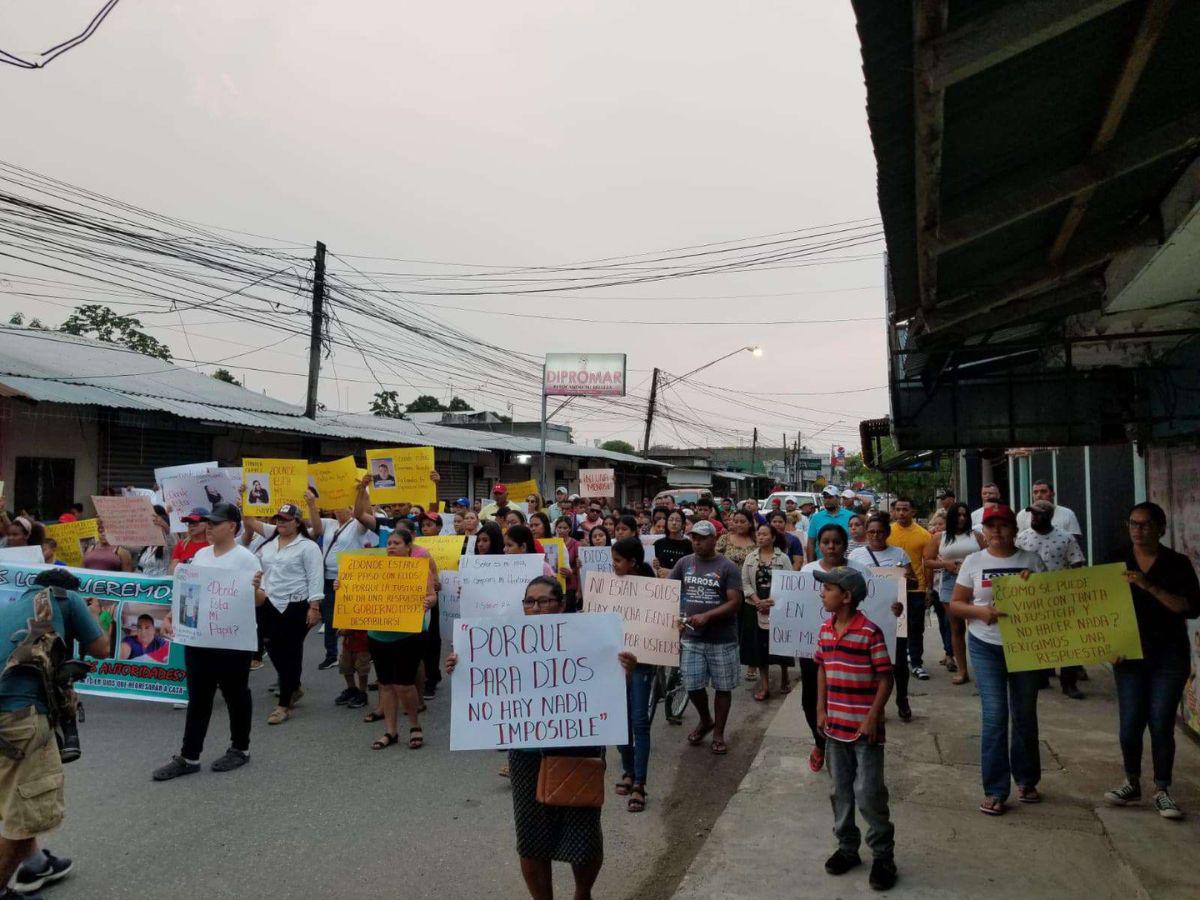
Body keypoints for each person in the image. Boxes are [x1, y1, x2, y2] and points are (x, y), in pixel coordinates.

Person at [445, 577, 635, 900]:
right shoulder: (506, 641)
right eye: (529, 602)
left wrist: (623, 670)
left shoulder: (589, 637)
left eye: (545, 601)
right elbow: (488, 683)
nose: (536, 608)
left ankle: (582, 893)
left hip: (578, 748)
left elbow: (608, 692)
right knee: (531, 837)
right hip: (527, 752)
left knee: (584, 834)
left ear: (561, 603)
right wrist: (461, 667)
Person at [0, 569, 107, 899]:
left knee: (16, 795)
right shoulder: (64, 598)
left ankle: (35, 863)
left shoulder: (11, 607)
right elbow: (101, 648)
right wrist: (92, 614)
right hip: (21, 717)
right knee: (29, 815)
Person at [153, 502, 264, 781]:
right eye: (209, 523)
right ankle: (189, 756)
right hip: (200, 639)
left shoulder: (246, 559)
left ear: (232, 527)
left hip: (232, 641)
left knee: (236, 695)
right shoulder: (201, 555)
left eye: (215, 523)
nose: (210, 527)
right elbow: (190, 593)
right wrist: (171, 617)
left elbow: (261, 600)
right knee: (198, 698)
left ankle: (240, 748)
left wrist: (256, 590)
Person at [1104, 501, 1200, 820]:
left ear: (1161, 528)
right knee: (1130, 725)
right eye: (1133, 523)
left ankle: (1162, 788)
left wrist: (1147, 586)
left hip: (1168, 657)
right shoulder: (1116, 559)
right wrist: (1107, 645)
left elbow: (1188, 607)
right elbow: (1098, 606)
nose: (1137, 529)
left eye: (1145, 524)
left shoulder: (1177, 564)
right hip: (1129, 656)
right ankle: (1131, 782)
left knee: (1160, 724)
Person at [950, 504, 1046, 816]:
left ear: (1014, 530)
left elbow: (1051, 603)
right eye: (991, 526)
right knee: (994, 716)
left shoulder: (1031, 560)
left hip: (1025, 647)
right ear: (984, 530)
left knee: (1024, 715)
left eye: (1004, 525)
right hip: (985, 645)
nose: (997, 532)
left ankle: (1027, 779)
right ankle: (995, 789)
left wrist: (1035, 585)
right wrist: (980, 612)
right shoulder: (974, 561)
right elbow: (957, 604)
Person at [814, 566, 897, 891]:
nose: (823, 593)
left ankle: (883, 855)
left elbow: (885, 678)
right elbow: (821, 668)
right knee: (840, 791)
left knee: (869, 793)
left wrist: (873, 718)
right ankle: (848, 848)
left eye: (829, 589)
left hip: (865, 731)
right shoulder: (824, 629)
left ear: (846, 597)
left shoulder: (869, 632)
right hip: (835, 727)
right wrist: (821, 709)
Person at [800, 525, 872, 769]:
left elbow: (875, 603)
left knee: (841, 697)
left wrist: (895, 610)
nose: (831, 547)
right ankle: (820, 742)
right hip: (812, 648)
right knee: (811, 697)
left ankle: (843, 743)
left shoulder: (860, 570)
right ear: (818, 545)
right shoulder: (807, 570)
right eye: (826, 542)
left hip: (848, 651)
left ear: (845, 545)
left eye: (837, 542)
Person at [668, 520, 743, 756]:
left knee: (722, 687)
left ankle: (719, 732)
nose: (697, 542)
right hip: (692, 636)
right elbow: (668, 591)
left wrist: (708, 616)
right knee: (692, 684)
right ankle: (705, 719)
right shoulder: (684, 563)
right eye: (694, 538)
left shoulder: (728, 567)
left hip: (722, 638)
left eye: (701, 538)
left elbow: (735, 603)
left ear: (714, 539)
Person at [359, 527, 437, 751]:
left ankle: (414, 725)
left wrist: (428, 602)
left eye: (396, 543)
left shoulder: (418, 569)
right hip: (378, 634)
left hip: (408, 634)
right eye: (389, 543)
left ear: (408, 547)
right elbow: (359, 591)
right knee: (385, 684)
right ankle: (390, 731)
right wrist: (342, 586)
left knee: (404, 684)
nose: (391, 546)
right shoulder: (375, 569)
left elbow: (431, 595)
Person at [246, 504, 324, 725]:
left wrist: (314, 606)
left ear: (297, 522)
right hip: (268, 601)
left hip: (296, 604)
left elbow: (315, 576)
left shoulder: (307, 547)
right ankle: (293, 686)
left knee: (290, 652)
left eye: (286, 519)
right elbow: (250, 522)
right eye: (278, 519)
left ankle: (284, 704)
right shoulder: (269, 544)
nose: (280, 522)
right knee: (271, 647)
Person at [1016, 499, 1087, 699]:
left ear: (1049, 516)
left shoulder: (1065, 538)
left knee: (1068, 640)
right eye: (1032, 514)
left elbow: (1077, 563)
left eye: (1039, 514)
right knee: (1039, 637)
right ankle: (1041, 676)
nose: (1034, 518)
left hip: (1061, 595)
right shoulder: (1022, 538)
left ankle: (1069, 682)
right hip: (1033, 596)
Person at [850, 514, 913, 721]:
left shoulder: (900, 553)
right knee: (870, 663)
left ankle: (902, 698)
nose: (875, 535)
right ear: (866, 533)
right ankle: (877, 706)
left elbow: (912, 582)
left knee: (899, 663)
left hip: (895, 616)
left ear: (887, 533)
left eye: (879, 531)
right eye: (871, 532)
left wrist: (902, 580)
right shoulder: (857, 555)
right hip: (867, 616)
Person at [611, 537, 656, 813]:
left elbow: (659, 624)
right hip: (615, 660)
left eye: (617, 561)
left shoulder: (653, 589)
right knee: (619, 718)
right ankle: (627, 769)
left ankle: (640, 783)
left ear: (633, 563)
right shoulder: (609, 587)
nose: (613, 566)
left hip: (642, 661)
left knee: (639, 720)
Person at [310, 482, 375, 671]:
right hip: (328, 578)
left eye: (343, 505)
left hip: (351, 579)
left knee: (353, 618)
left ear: (350, 507)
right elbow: (314, 526)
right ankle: (331, 655)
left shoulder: (357, 525)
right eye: (335, 506)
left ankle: (361, 653)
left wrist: (362, 493)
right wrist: (312, 505)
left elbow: (365, 514)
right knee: (330, 618)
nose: (338, 509)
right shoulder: (328, 524)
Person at [922, 501, 982, 684]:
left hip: (975, 583)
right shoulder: (940, 537)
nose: (962, 518)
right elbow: (927, 561)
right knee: (956, 627)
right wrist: (945, 564)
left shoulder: (977, 536)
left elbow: (990, 555)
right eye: (958, 515)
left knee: (978, 627)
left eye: (965, 515)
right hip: (950, 582)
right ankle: (963, 671)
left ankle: (983, 670)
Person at [742, 523, 792, 701]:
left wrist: (773, 602)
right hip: (755, 605)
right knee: (760, 648)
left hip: (777, 606)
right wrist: (757, 601)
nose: (760, 537)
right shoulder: (750, 558)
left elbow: (789, 583)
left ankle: (785, 675)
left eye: (764, 534)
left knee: (781, 644)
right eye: (758, 534)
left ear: (773, 537)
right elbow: (745, 582)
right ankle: (764, 686)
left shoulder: (783, 558)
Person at [885, 497, 932, 681]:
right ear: (894, 512)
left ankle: (917, 662)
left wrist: (928, 588)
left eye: (905, 509)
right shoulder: (887, 532)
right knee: (893, 627)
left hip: (916, 588)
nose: (902, 513)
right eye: (898, 509)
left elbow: (927, 563)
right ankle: (895, 660)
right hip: (892, 587)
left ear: (913, 512)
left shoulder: (924, 534)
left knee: (915, 627)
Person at [717, 510, 758, 683]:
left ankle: (752, 664)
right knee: (728, 628)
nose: (738, 524)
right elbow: (715, 559)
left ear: (750, 523)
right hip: (727, 590)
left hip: (750, 591)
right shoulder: (724, 539)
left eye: (742, 521)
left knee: (749, 629)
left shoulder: (756, 541)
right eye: (736, 521)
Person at [1015, 481, 1082, 538]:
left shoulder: (1067, 513)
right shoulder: (1023, 514)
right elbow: (1018, 539)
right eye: (1035, 492)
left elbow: (1075, 539)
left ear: (1052, 494)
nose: (1039, 495)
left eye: (1043, 491)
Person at [807, 486, 854, 562]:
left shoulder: (850, 516)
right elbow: (811, 543)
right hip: (821, 564)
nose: (827, 500)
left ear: (838, 498)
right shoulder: (816, 518)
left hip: (845, 564)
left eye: (830, 497)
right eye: (825, 498)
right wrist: (810, 565)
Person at [136, 505, 175, 577]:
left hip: (160, 585)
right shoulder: (147, 546)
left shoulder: (167, 546)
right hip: (144, 585)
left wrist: (165, 525)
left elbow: (172, 541)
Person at [652, 510, 692, 577]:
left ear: (683, 524)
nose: (674, 523)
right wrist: (655, 566)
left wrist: (672, 572)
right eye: (671, 520)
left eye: (677, 520)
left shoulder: (689, 545)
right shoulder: (658, 544)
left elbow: (692, 569)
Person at [169, 510, 210, 574]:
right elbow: (172, 572)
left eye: (195, 522)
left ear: (207, 523)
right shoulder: (181, 545)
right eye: (189, 523)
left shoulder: (214, 545)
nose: (191, 525)